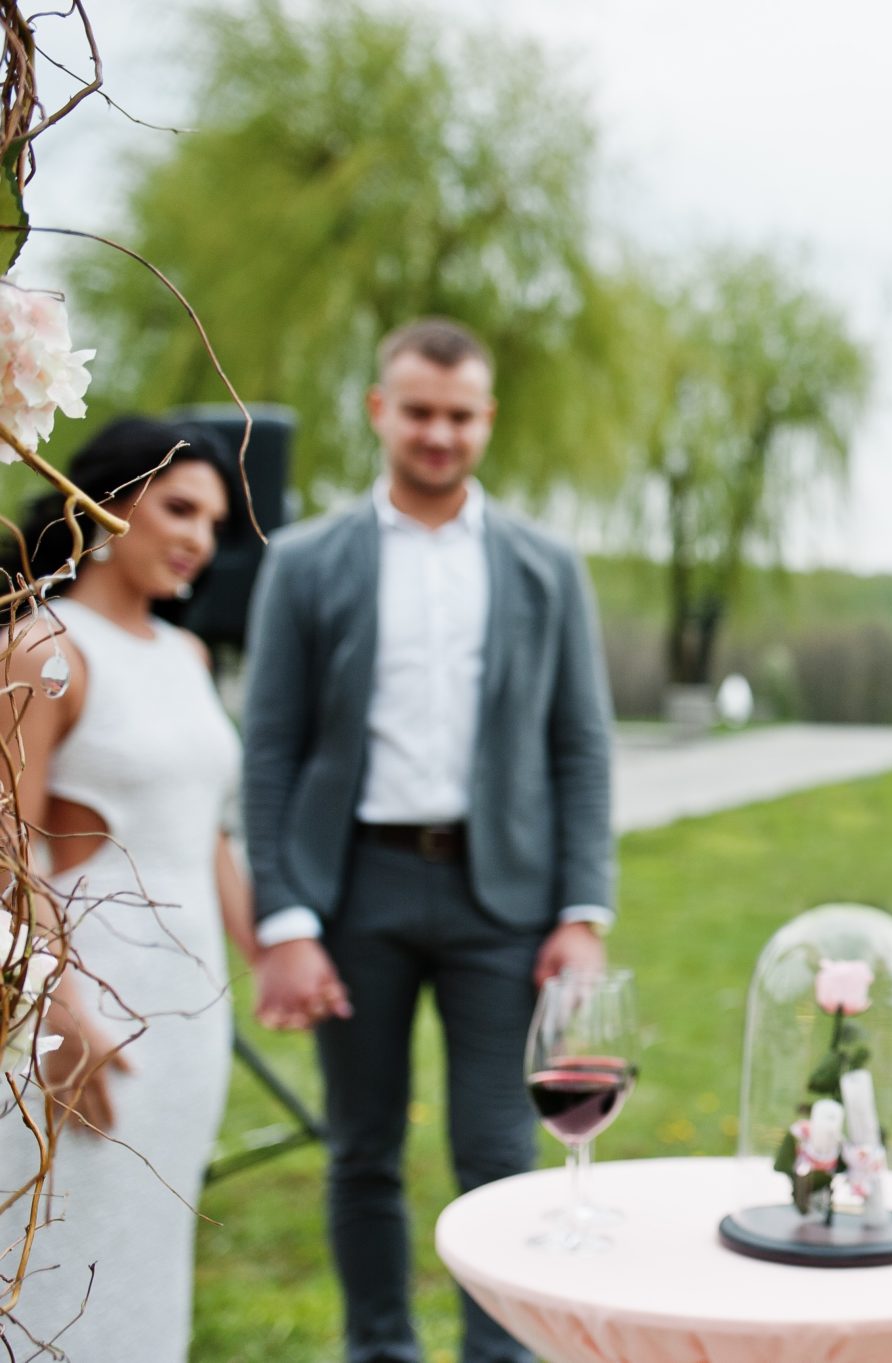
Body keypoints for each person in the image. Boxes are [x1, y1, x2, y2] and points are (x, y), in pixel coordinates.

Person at [241, 317, 615, 1363]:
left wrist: (582, 914)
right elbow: (267, 749)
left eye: (459, 415)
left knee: (497, 1152)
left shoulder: (545, 568)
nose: (438, 434)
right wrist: (284, 918)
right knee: (361, 1151)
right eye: (418, 412)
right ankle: (380, 1350)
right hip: (352, 892)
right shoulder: (310, 563)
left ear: (485, 420)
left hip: (504, 903)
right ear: (379, 412)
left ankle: (500, 1354)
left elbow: (581, 748)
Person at [1, 418, 251, 1361]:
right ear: (104, 498)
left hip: (191, 1009)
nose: (198, 538)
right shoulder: (43, 643)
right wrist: (56, 1013)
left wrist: (271, 952)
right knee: (65, 1257)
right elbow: (6, 841)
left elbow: (206, 829)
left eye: (214, 523)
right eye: (179, 507)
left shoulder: (185, 658)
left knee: (153, 1249)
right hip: (85, 1000)